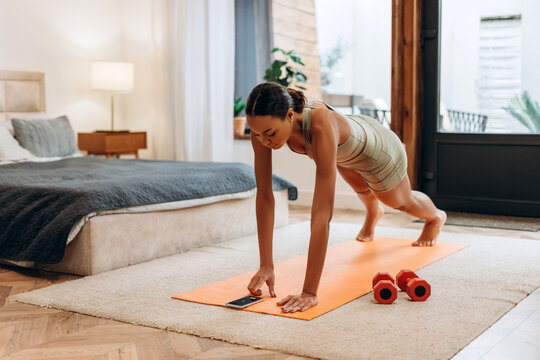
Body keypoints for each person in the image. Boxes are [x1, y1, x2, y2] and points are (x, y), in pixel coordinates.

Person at [245, 82, 447, 313]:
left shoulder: (321, 125)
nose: (264, 141)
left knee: (398, 201)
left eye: (269, 134)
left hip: (378, 150)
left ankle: (435, 217)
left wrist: (309, 292)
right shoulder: (261, 130)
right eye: (257, 134)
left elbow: (322, 215)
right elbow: (264, 196)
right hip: (346, 153)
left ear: (290, 115)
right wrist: (266, 265)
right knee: (362, 189)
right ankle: (373, 213)